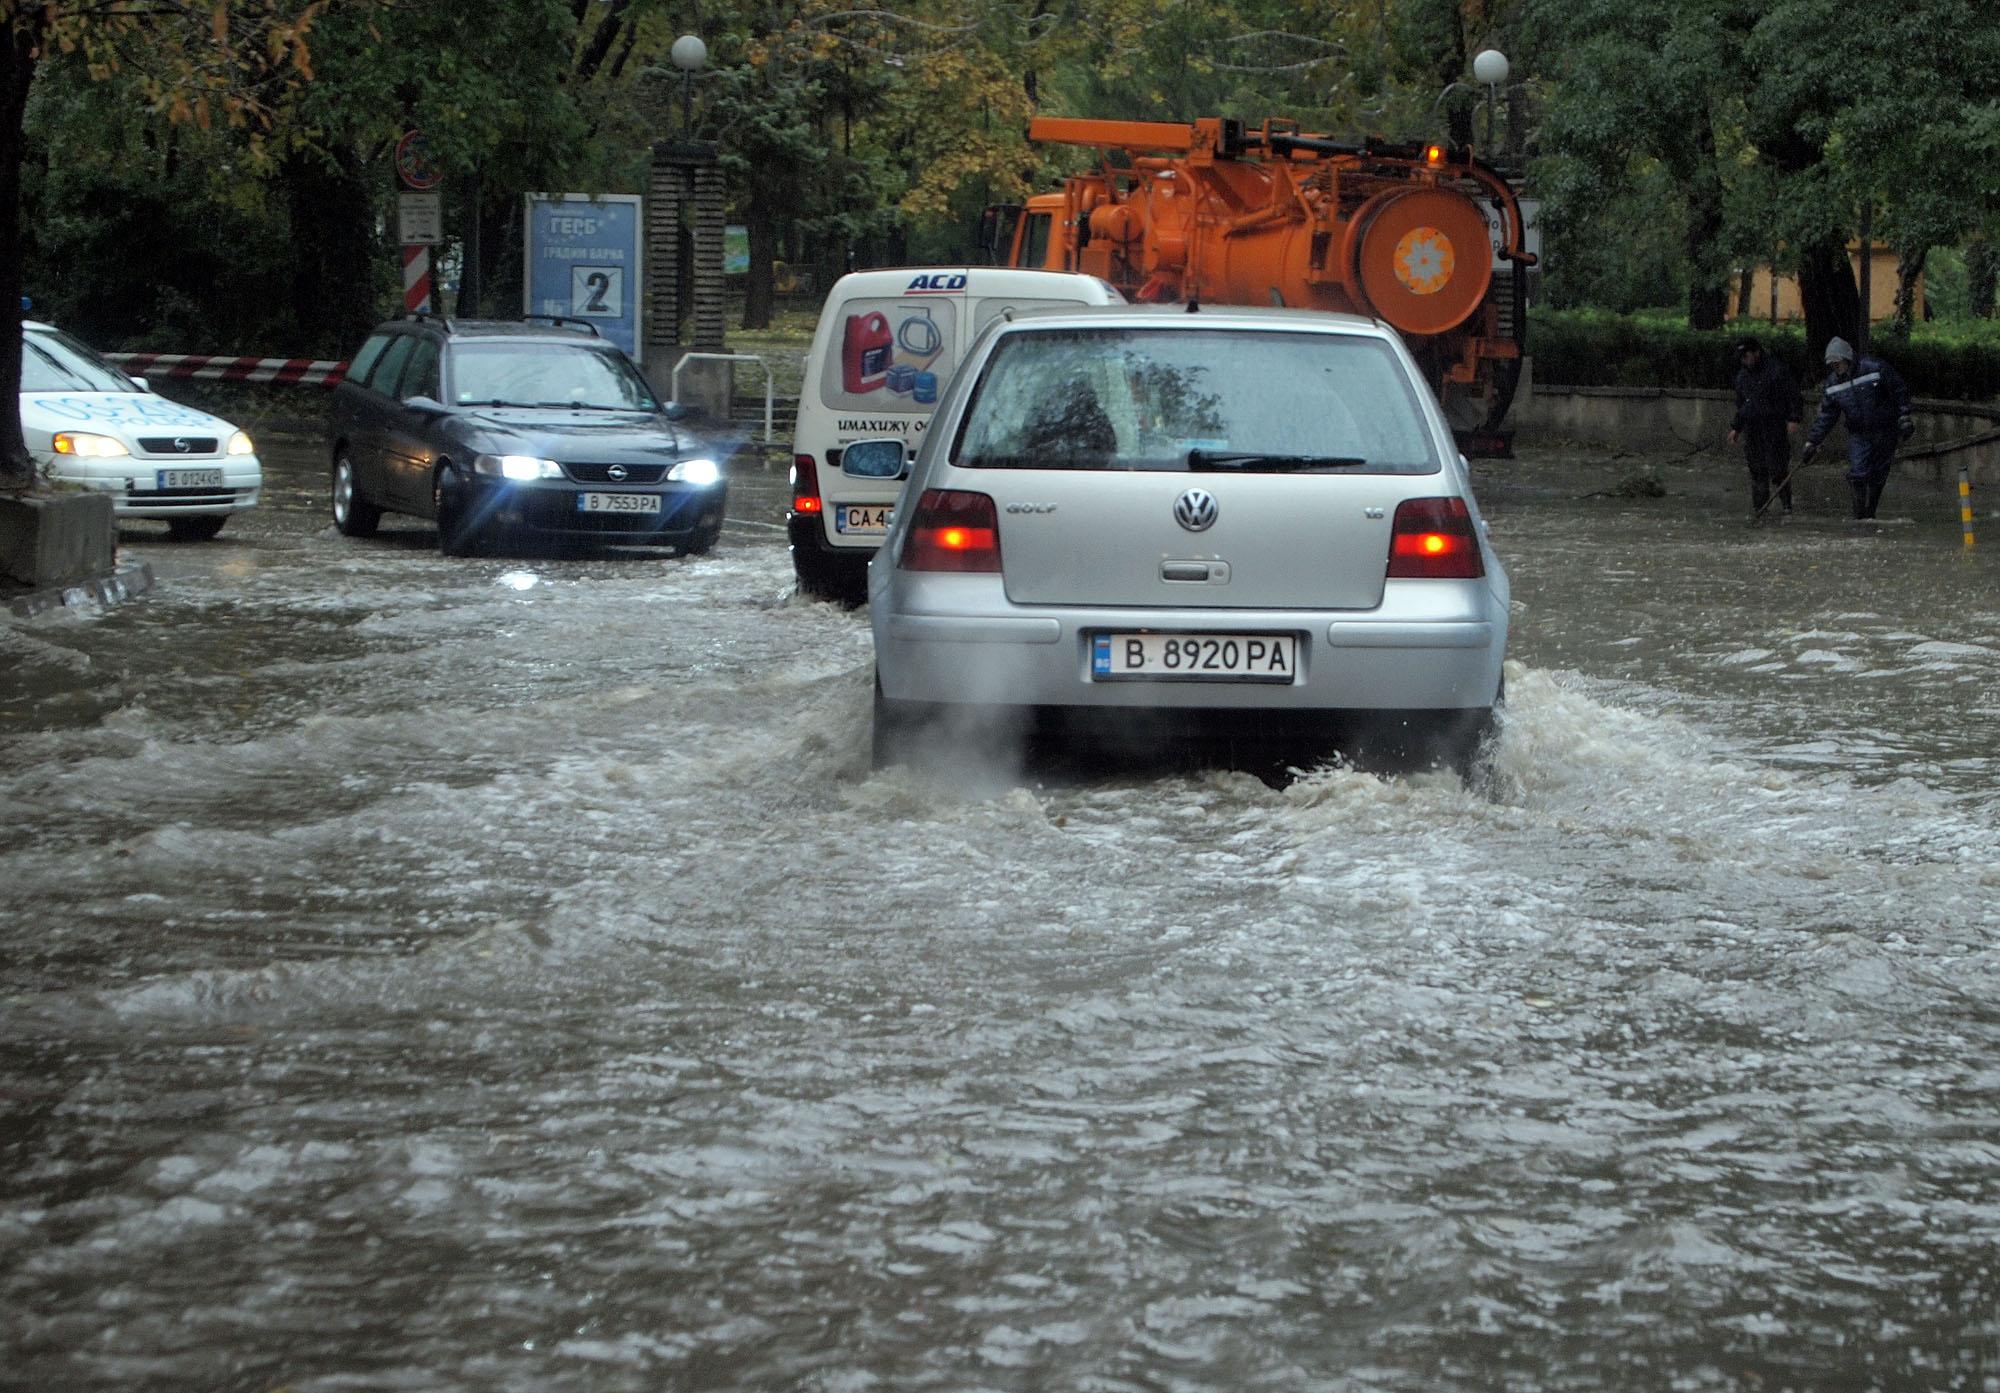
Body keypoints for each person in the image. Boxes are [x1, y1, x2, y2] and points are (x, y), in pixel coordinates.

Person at [1803, 336, 1915, 520]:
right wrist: (1812, 442)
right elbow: (1827, 415)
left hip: (1885, 430)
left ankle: (1870, 511)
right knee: (1858, 472)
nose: (1835, 368)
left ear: (1847, 359)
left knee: (1879, 473)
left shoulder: (1875, 368)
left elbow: (1899, 389)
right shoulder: (1833, 384)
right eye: (1832, 365)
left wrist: (1904, 416)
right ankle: (1860, 515)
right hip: (1859, 433)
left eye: (1837, 363)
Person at [1726, 336, 1801, 523]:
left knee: (1778, 468)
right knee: (1757, 470)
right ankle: (1760, 508)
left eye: (1746, 355)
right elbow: (1743, 404)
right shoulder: (1743, 376)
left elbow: (1793, 395)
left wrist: (1793, 418)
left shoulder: (1776, 370)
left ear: (1756, 353)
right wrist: (1736, 427)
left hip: (1773, 425)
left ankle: (1786, 507)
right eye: (1741, 357)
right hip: (1753, 428)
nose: (1744, 360)